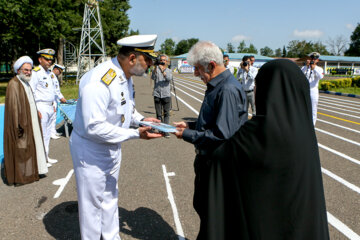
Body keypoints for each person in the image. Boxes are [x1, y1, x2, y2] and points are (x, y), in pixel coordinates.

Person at [203, 59, 329, 240]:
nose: (254, 90)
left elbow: (220, 158)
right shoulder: (305, 133)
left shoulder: (256, 132)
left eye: (257, 86)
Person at [69, 34, 163, 240]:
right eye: (147, 60)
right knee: (92, 203)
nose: (149, 66)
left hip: (111, 144)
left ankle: (111, 237)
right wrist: (136, 133)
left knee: (110, 195)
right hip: (91, 148)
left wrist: (142, 120)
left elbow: (125, 108)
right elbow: (94, 127)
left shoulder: (124, 76)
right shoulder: (99, 80)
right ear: (132, 58)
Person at [173, 41, 248, 239]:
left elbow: (222, 134)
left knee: (214, 217)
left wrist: (187, 135)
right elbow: (214, 121)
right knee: (204, 209)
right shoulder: (217, 85)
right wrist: (190, 125)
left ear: (212, 65)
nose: (196, 74)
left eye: (198, 69)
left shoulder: (227, 90)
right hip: (208, 161)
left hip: (218, 166)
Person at [4, 56, 48, 185]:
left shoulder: (25, 82)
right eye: (25, 70)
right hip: (21, 124)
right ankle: (21, 177)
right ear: (18, 70)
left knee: (30, 148)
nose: (28, 72)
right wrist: (19, 125)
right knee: (21, 149)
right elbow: (13, 108)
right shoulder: (14, 84)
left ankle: (31, 173)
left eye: (30, 70)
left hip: (31, 121)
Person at [30, 48, 59, 167]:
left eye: (51, 60)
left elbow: (52, 91)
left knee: (47, 134)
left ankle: (45, 156)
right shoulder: (36, 73)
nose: (49, 62)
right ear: (40, 59)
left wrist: (53, 104)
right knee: (41, 134)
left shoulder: (50, 74)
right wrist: (36, 109)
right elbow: (31, 92)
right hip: (41, 106)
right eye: (46, 59)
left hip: (49, 106)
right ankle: (39, 160)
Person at [151, 54, 173, 138]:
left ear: (166, 62)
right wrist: (154, 70)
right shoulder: (156, 69)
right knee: (159, 114)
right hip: (157, 94)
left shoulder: (169, 70)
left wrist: (163, 71)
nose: (162, 61)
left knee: (166, 113)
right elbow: (153, 78)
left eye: (164, 60)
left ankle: (166, 130)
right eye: (161, 60)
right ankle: (161, 129)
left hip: (166, 94)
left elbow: (168, 79)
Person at [301, 52, 324, 125]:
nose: (313, 60)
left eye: (315, 59)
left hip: (313, 90)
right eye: (312, 59)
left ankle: (312, 125)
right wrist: (306, 66)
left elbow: (321, 77)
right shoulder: (305, 67)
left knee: (313, 109)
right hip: (305, 90)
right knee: (303, 107)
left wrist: (314, 69)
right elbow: (300, 74)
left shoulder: (319, 69)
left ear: (317, 60)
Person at [50, 63, 67, 139]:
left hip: (55, 100)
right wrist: (61, 98)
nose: (60, 73)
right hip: (52, 100)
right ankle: (51, 133)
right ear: (56, 69)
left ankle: (53, 132)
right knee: (52, 117)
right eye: (60, 71)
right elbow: (55, 90)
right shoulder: (51, 76)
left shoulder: (54, 77)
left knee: (54, 117)